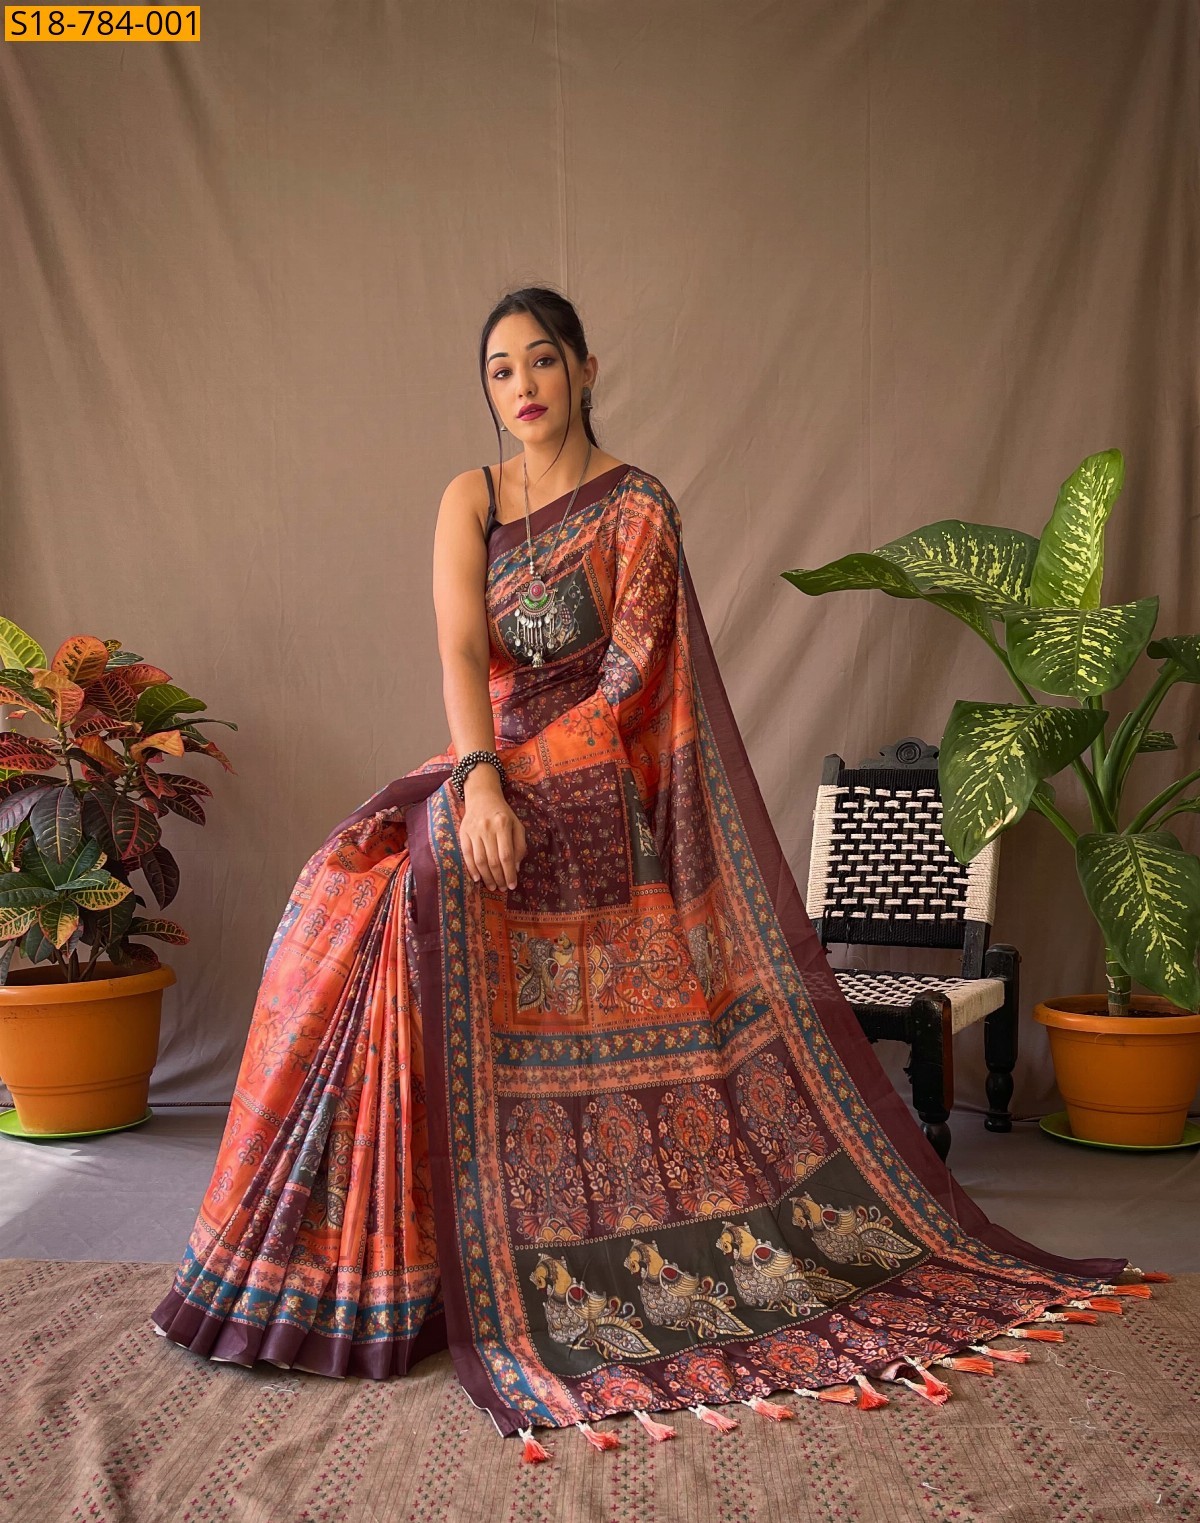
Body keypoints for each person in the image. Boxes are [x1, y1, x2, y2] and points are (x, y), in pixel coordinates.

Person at [152, 286, 1159, 1458]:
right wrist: (480, 776)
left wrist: (526, 780)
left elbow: (630, 687)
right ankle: (343, 1262)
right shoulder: (469, 498)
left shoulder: (639, 507)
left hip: (594, 777)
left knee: (432, 884)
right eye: (498, 370)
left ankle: (459, 1256)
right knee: (349, 882)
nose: (521, 384)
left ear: (587, 368)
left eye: (542, 360)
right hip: (498, 756)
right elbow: (462, 651)